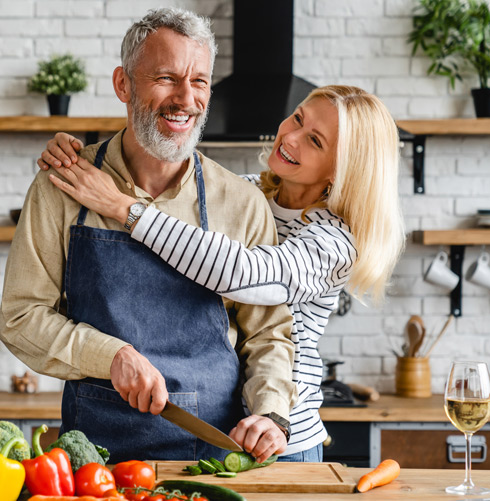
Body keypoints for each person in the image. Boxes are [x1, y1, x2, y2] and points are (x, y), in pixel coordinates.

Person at [37, 85, 406, 462]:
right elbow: (168, 185)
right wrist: (84, 158)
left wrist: (121, 207)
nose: (290, 137)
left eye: (314, 140)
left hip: (280, 434)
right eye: (297, 118)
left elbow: (242, 274)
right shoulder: (246, 193)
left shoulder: (333, 241)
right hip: (223, 424)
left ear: (342, 170)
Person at [0, 8, 299, 464]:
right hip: (95, 459)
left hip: (216, 455)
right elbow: (20, 316)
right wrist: (111, 355)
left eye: (199, 81)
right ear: (123, 84)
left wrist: (271, 412)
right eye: (165, 77)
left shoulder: (240, 202)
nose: (186, 98)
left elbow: (269, 334)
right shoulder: (63, 184)